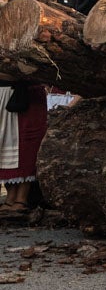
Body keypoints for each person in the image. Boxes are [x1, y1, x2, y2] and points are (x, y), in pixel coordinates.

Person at [0, 82, 48, 217]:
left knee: (27, 146)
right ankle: (10, 197)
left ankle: (22, 198)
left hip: (28, 93)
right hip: (3, 93)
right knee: (4, 147)